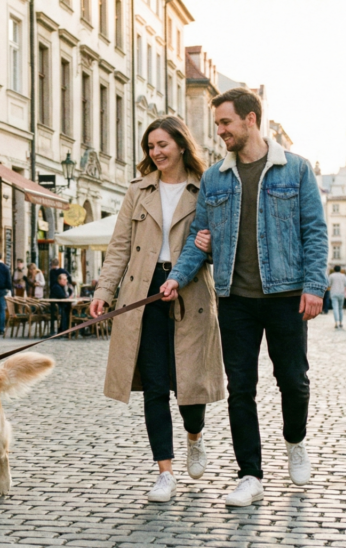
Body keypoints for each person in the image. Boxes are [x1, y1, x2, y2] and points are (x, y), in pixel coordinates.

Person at [160, 88, 327, 507]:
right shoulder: (216, 177)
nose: (219, 132)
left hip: (286, 294)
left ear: (251, 120)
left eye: (225, 123)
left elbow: (315, 232)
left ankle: (295, 442)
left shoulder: (297, 170)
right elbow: (200, 241)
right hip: (234, 297)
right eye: (218, 124)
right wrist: (176, 279)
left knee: (293, 380)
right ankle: (249, 474)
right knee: (240, 389)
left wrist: (313, 285)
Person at [89, 115, 225, 503]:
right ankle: (164, 471)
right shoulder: (139, 190)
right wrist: (104, 290)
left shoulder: (206, 187)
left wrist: (211, 246)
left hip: (192, 292)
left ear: (182, 144)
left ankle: (194, 437)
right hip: (142, 292)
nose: (156, 152)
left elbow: (221, 244)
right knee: (153, 385)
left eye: (163, 144)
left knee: (191, 385)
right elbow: (119, 246)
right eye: (150, 146)